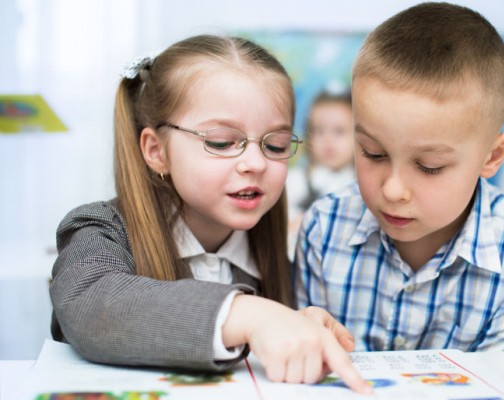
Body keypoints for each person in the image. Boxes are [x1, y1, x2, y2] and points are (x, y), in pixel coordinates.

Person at [49, 34, 371, 394]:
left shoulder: (271, 255)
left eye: (275, 144)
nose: (255, 163)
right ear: (156, 150)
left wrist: (295, 324)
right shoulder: (99, 229)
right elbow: (91, 304)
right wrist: (251, 315)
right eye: (221, 142)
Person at [295, 2, 504, 353]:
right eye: (373, 152)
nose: (393, 190)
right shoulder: (323, 229)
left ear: (492, 156)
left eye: (429, 166)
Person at [286, 90, 355, 258]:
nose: (328, 140)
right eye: (319, 131)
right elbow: (281, 213)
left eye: (339, 131)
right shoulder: (298, 179)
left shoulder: (359, 184)